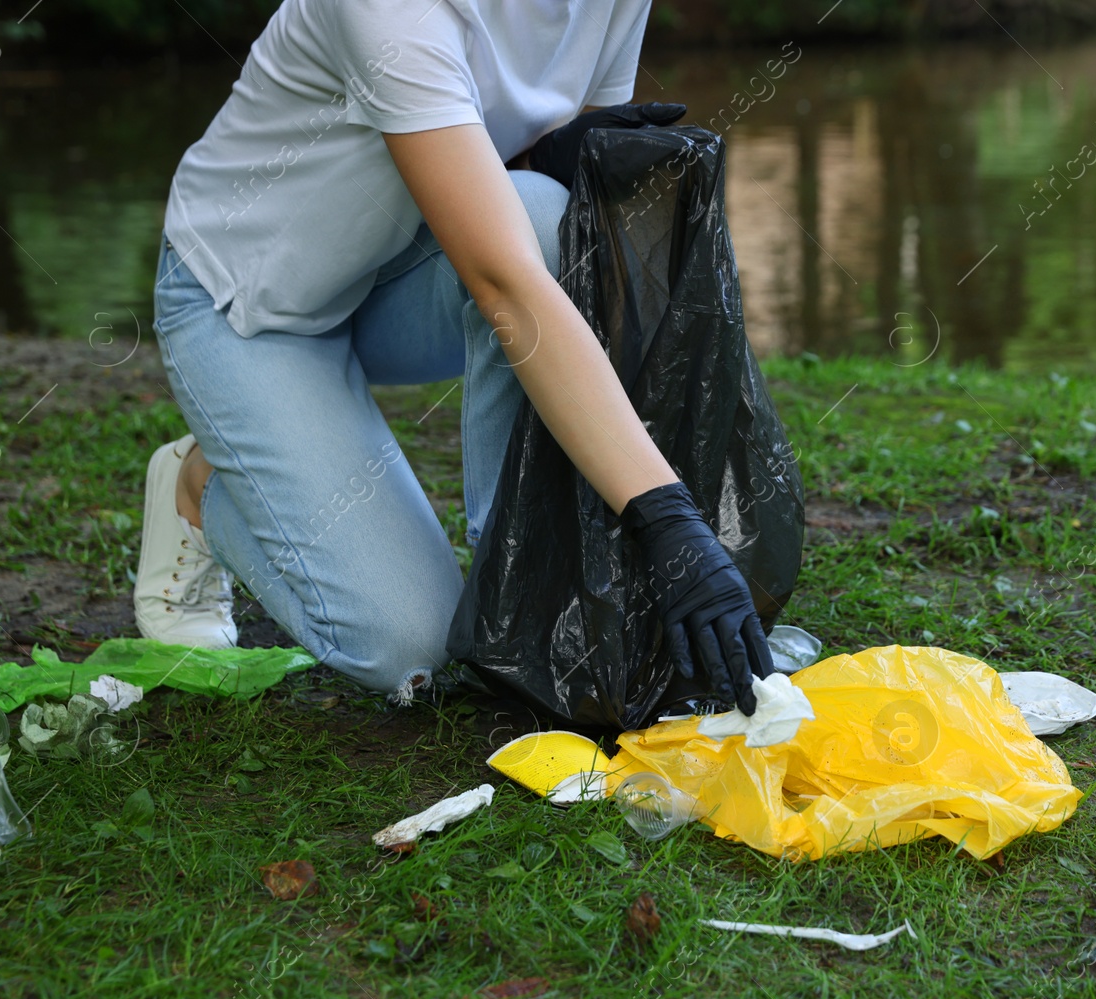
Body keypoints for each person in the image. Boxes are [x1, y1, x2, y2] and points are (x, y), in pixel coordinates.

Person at [136, 0, 772, 711]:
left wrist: (559, 154)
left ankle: (520, 589)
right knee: (412, 647)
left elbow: (560, 219)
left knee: (555, 218)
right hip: (250, 302)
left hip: (396, 267)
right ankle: (200, 486)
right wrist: (665, 513)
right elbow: (505, 284)